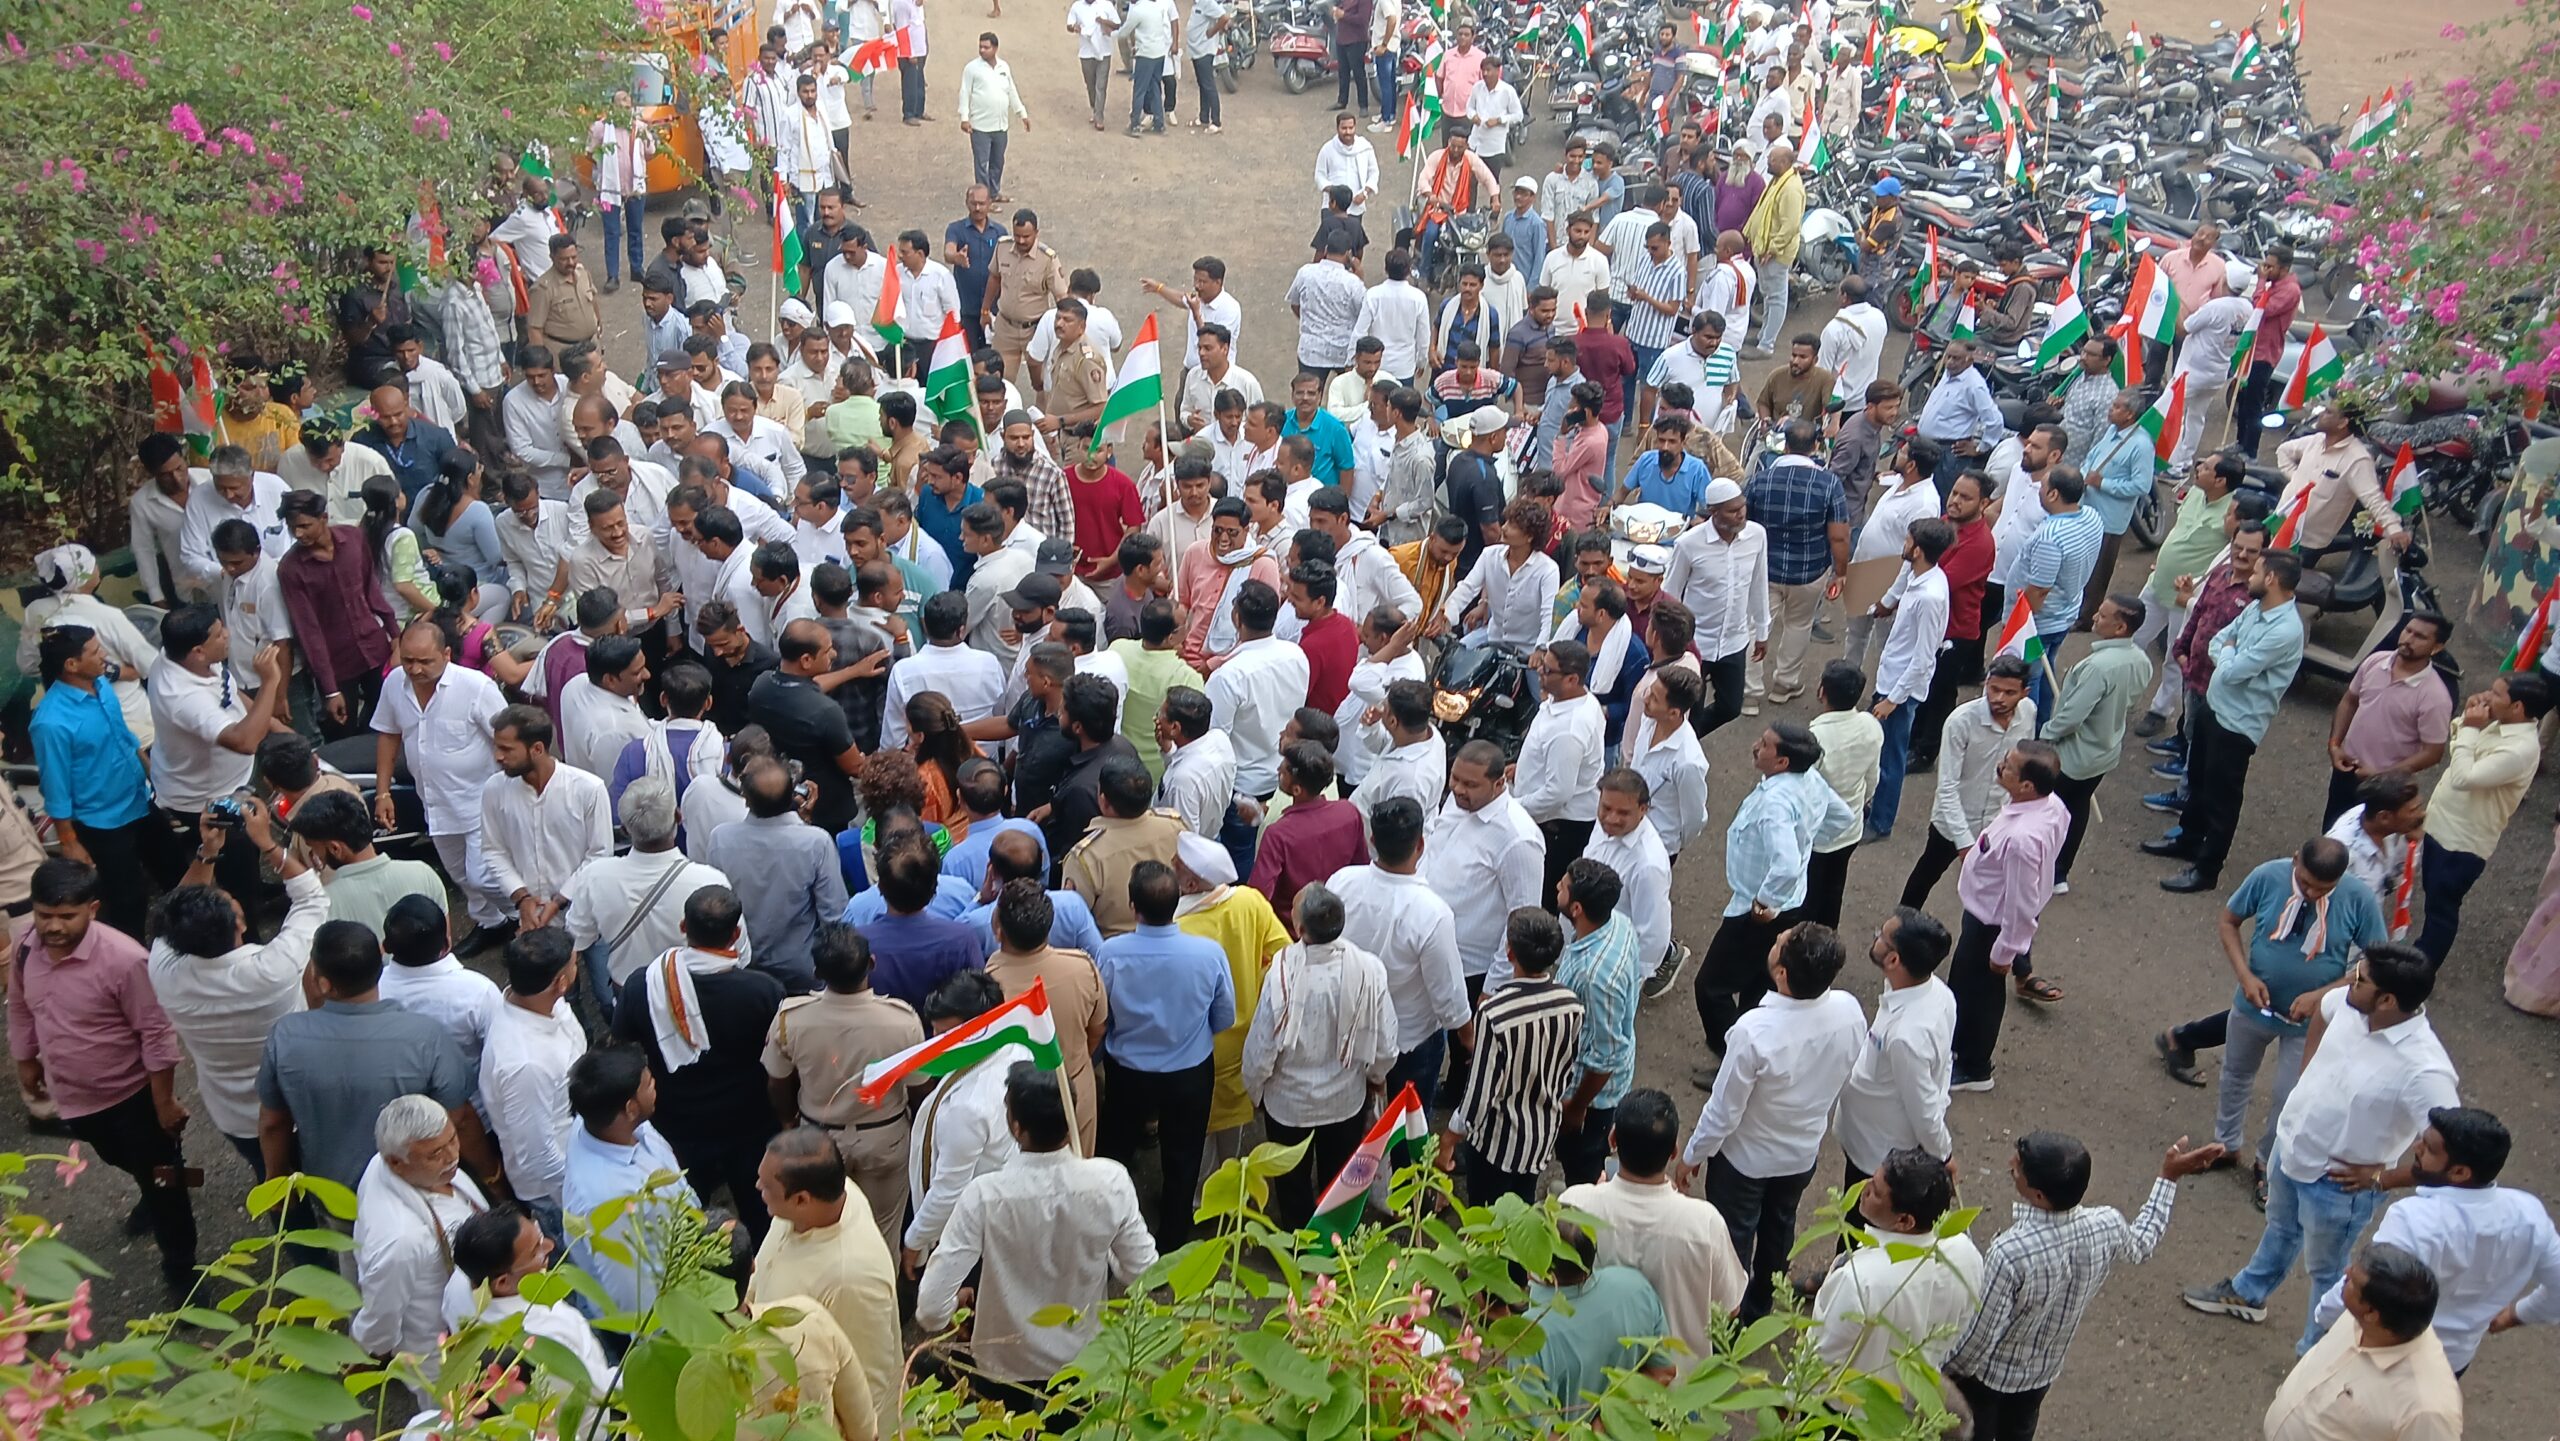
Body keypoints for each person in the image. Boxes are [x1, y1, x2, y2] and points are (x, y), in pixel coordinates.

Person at [2183, 943, 2461, 1350]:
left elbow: (2452, 1155)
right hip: (2292, 1146)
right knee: (2280, 1228)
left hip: (2339, 1185)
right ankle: (2249, 1293)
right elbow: (2322, 1011)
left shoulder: (2427, 1071)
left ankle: (2314, 1355)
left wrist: (2382, 1179)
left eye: (2360, 978)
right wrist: (2309, 1075)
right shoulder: (2351, 1003)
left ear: (2387, 1000)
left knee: (2330, 1274)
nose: (2349, 981)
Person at [1947, 1130, 2229, 1439]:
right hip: (2042, 1373)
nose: (2011, 1166)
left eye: (2017, 1169)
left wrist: (1943, 1372)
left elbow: (1979, 1341)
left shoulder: (2009, 1253)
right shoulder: (2105, 1224)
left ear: (2038, 1195)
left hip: (1990, 1379)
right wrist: (2168, 1177)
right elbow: (2142, 1243)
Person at [914, 1061, 1158, 1398]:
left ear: (1015, 1126)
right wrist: (1105, 1250)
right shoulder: (1110, 1183)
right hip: (1081, 1360)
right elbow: (1144, 1272)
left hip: (1003, 1363)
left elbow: (930, 1309)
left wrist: (955, 1307)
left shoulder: (984, 1196)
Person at [2161, 838, 2387, 1200]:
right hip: (2252, 1006)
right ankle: (2226, 1144)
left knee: (2290, 1095)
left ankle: (2267, 1161)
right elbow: (2229, 920)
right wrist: (2245, 977)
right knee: (2235, 1074)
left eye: (2323, 889)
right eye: (2306, 883)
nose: (2312, 894)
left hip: (2310, 1022)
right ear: (2295, 859)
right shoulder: (2267, 876)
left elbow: (2376, 962)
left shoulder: (2358, 898)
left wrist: (2322, 996)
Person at [11, 858, 196, 1290]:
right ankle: (170, 1176)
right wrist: (25, 1060)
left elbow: (156, 1034)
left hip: (132, 1099)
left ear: (92, 908)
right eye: (44, 915)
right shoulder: (25, 948)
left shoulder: (125, 960)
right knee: (125, 1160)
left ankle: (183, 1272)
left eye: (66, 916)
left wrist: (164, 1103)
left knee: (164, 1188)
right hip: (75, 1099)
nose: (52, 926)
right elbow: (19, 1006)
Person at [1676, 922, 1865, 1319]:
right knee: (1780, 1227)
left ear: (1781, 973)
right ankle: (1762, 1303)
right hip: (1801, 1152)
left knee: (1734, 1240)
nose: (1776, 938)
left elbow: (1724, 1110)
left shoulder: (1753, 1032)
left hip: (1745, 1160)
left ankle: (1729, 1318)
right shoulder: (1849, 1011)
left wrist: (1693, 1154)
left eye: (1780, 941)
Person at [141, 801, 329, 1175]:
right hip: (300, 1103)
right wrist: (267, 843)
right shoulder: (274, 969)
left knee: (270, 1177)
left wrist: (208, 851)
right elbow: (312, 896)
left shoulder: (164, 971)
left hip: (234, 1115)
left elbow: (174, 909)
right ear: (239, 926)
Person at [2308, 1107, 2560, 1378]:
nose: (2416, 1147)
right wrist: (2517, 1315)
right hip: (2451, 1363)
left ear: (2460, 1172)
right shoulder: (2529, 1214)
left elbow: (2363, 1282)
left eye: (2428, 1148)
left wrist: (2324, 1318)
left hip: (2383, 1358)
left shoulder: (2414, 1220)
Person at [612, 884, 789, 1241]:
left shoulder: (643, 986)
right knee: (760, 1213)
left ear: (683, 926)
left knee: (686, 1218)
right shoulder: (763, 990)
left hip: (677, 1125)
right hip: (749, 1122)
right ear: (736, 934)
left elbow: (622, 1047)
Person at [257, 919, 485, 1192]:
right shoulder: (425, 1036)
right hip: (410, 1186)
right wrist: (492, 1177)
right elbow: (459, 1117)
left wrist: (275, 1177)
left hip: (330, 1190)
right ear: (379, 965)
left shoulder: (285, 1036)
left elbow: (273, 1123)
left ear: (324, 983)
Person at [1241, 883, 1398, 1227]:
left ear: (1299, 929)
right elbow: (1386, 1043)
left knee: (1291, 1181)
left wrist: (1255, 1090)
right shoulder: (1368, 969)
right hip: (1345, 1101)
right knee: (1338, 1179)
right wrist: (1376, 1078)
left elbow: (1261, 1047)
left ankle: (1297, 1239)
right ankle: (1334, 1238)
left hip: (1289, 1105)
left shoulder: (1280, 974)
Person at [2151, 549, 2306, 893]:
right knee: (2198, 779)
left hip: (2238, 724)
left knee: (2221, 798)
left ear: (2271, 579)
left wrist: (2228, 654)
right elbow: (2220, 640)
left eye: (2257, 571)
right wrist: (2229, 652)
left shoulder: (2284, 631)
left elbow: (2234, 671)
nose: (2250, 576)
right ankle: (2188, 840)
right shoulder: (2256, 607)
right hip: (2216, 706)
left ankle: (2207, 869)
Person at [1697, 724, 1853, 1056]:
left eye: (1765, 744)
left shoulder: (1775, 803)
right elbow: (1842, 817)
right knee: (1759, 985)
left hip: (1758, 910)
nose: (1756, 746)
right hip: (1793, 902)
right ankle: (1752, 1047)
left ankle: (1733, 1056)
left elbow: (1785, 866)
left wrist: (1763, 902)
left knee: (1711, 987)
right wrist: (1806, 842)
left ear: (1783, 762)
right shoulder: (1810, 779)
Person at [744, 1127, 904, 1441]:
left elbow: (868, 1384)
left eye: (767, 1186)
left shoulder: (853, 1279)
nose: (757, 1186)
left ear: (802, 1199)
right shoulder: (816, 1203)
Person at [369, 620, 511, 945]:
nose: (414, 669)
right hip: (435, 802)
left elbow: (507, 738)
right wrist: (382, 792)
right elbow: (388, 734)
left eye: (424, 661)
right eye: (408, 660)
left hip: (482, 801)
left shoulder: (475, 687)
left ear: (446, 654)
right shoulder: (394, 684)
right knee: (459, 873)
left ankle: (523, 917)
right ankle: (491, 924)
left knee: (483, 875)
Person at [1946, 742, 2072, 1091]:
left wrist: (2006, 951)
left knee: (1979, 993)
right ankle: (1959, 1047)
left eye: (2009, 767)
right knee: (1967, 986)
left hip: (1991, 923)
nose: (2001, 766)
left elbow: (2022, 901)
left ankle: (1974, 1067)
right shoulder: (2051, 806)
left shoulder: (2022, 840)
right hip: (1987, 913)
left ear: (2027, 786)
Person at [1437, 908, 1582, 1204]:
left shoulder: (1495, 1014)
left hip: (1498, 1143)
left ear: (1510, 952)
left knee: (1488, 1210)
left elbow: (1478, 1097)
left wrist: (1449, 1137)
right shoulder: (1570, 1003)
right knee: (1522, 1204)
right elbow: (1567, 1067)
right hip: (1541, 1134)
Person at [27, 627, 163, 937]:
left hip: (138, 800)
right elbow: (55, 787)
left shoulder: (100, 685)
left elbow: (124, 736)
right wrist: (69, 842)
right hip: (103, 823)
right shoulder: (51, 722)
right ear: (71, 665)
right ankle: (130, 957)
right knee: (128, 900)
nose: (104, 655)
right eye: (94, 651)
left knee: (175, 869)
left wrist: (153, 772)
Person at [1171, 831, 1292, 1174]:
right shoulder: (1250, 902)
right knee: (1232, 1135)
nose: (1169, 865)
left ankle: (1201, 1195)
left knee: (1194, 1137)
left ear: (1191, 884)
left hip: (1195, 1048)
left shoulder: (1177, 926)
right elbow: (1285, 956)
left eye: (1175, 864)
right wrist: (1255, 982)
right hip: (1245, 1041)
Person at [2413, 671, 2551, 966]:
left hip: (2462, 843)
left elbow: (2463, 777)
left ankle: (2423, 967)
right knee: (2432, 895)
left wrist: (2470, 728)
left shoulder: (2520, 750)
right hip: (2441, 826)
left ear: (2518, 707)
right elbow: (2461, 752)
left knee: (2442, 909)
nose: (2487, 696)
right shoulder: (2500, 725)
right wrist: (2468, 724)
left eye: (2497, 694)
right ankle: (2419, 953)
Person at [1814, 1144, 1986, 1375]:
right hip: (1915, 1386)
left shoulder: (1859, 1279)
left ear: (1905, 1221)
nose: (1864, 1188)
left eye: (1876, 1192)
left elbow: (1822, 1357)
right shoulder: (1967, 1254)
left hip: (1851, 1392)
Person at [2269, 1243, 2465, 1441]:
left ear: (2372, 1313)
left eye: (2352, 1281)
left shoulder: (2427, 1410)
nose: (2346, 1272)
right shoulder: (2374, 1317)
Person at [349, 1095, 491, 1364]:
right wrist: (371, 1355)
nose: (452, 1156)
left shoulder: (385, 1164)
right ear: (396, 1162)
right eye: (435, 1154)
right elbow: (380, 1318)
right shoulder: (401, 1241)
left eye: (453, 1139)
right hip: (439, 1352)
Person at [1900, 656, 2037, 911]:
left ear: (2024, 693)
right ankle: (1899, 923)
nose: (1999, 698)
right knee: (1926, 875)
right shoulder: (1961, 721)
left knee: (1990, 889)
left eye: (2009, 693)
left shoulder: (2028, 713)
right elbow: (1947, 787)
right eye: (1994, 689)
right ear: (1986, 683)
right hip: (1954, 823)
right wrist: (1964, 842)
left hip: (1997, 821)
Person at [983, 881, 1110, 1156]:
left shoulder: (990, 984)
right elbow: (1097, 1029)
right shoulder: (1083, 967)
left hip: (1019, 1101)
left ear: (998, 930)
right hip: (1074, 1086)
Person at [476, 926, 584, 1241]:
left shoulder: (541, 1002)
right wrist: (579, 1198)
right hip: (559, 1189)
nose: (577, 968)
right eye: (574, 964)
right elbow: (537, 1155)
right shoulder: (526, 1065)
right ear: (560, 982)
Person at [710, 756, 851, 994]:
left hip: (743, 968)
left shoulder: (720, 839)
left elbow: (717, 903)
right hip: (802, 971)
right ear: (792, 795)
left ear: (745, 798)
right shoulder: (816, 843)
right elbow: (834, 914)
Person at [2042, 594, 2156, 889]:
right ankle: (2060, 872)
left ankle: (2042, 868)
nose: (2094, 617)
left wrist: (2045, 734)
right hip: (2105, 750)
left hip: (2073, 756)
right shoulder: (2140, 660)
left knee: (2051, 811)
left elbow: (2072, 717)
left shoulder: (2097, 667)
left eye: (2103, 615)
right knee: (2078, 807)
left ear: (2120, 628)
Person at [442, 1207, 614, 1395]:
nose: (549, 1246)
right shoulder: (543, 1337)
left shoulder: (460, 1281)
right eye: (535, 1252)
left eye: (539, 1235)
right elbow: (599, 1388)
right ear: (503, 1283)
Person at [482, 704, 615, 942]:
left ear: (537, 749)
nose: (498, 756)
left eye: (506, 749)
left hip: (587, 916)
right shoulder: (494, 789)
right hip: (531, 920)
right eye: (496, 747)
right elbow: (494, 850)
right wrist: (522, 898)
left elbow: (599, 854)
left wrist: (559, 901)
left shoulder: (588, 789)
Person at [1865, 518, 1956, 843]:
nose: (1904, 544)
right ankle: (1875, 807)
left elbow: (1924, 657)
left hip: (1899, 690)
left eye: (1908, 540)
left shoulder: (1929, 596)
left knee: (1891, 758)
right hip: (1892, 678)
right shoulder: (1921, 577)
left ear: (1917, 550)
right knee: (1881, 753)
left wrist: (1893, 699)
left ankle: (1881, 821)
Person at [2324, 613, 2454, 828]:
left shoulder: (2435, 697)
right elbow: (2349, 701)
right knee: (2332, 830)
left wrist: (2383, 775)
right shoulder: (2375, 661)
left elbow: (2433, 753)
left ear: (2437, 647)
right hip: (2346, 770)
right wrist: (2335, 745)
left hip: (2383, 788)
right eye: (2408, 630)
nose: (2409, 639)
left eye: (2420, 637)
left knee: (2367, 839)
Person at [956, 33, 1030, 198]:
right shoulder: (972, 68)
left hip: (1000, 125)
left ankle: (994, 193)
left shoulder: (1003, 67)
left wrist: (1022, 113)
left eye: (986, 47)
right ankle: (984, 199)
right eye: (980, 47)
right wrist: (964, 118)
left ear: (995, 48)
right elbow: (965, 92)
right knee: (982, 164)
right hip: (980, 126)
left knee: (997, 162)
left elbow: (1011, 91)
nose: (982, 50)